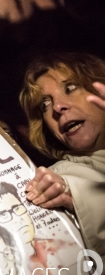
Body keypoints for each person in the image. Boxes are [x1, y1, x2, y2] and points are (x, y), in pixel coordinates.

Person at [19, 52, 105, 257]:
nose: (57, 107)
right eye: (45, 105)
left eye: (70, 88)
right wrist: (70, 193)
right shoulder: (57, 180)